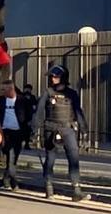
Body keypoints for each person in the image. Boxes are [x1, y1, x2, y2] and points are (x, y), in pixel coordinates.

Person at [31, 65, 88, 201]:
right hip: (51, 128)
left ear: (64, 77)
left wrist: (84, 130)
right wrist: (33, 131)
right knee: (50, 158)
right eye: (52, 76)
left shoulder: (72, 93)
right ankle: (49, 187)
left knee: (74, 158)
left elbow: (78, 112)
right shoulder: (47, 92)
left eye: (56, 76)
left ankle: (76, 189)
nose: (53, 79)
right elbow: (39, 112)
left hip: (68, 129)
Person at [0, 80, 31, 190]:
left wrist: (28, 132)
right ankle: (12, 181)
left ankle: (7, 179)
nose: (2, 92)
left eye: (4, 89)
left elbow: (29, 116)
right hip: (5, 132)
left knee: (13, 157)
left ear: (11, 89)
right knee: (10, 156)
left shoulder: (22, 100)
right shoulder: (1, 100)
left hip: (18, 132)